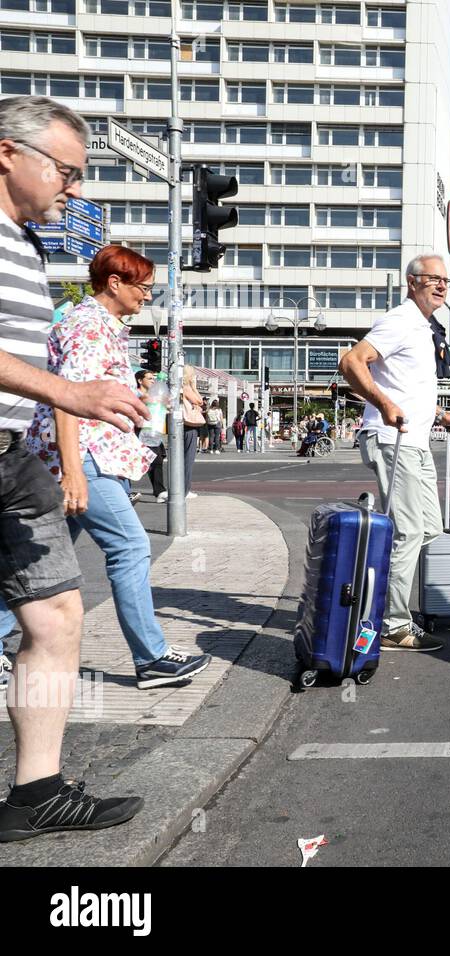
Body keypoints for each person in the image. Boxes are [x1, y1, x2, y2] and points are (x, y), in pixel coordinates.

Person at [0, 95, 150, 841]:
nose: (75, 189)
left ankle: (38, 792)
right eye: (66, 171)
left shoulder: (25, 242)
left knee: (58, 611)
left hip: (10, 457)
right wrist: (70, 398)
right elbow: (57, 374)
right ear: (7, 153)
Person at [26, 245, 212, 689]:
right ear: (115, 283)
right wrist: (72, 471)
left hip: (81, 456)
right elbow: (67, 399)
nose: (148, 296)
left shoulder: (99, 325)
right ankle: (151, 659)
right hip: (83, 458)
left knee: (39, 560)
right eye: (143, 288)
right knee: (130, 547)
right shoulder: (88, 326)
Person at [340, 253, 450, 650]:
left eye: (445, 280)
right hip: (392, 439)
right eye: (433, 278)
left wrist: (441, 414)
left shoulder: (423, 327)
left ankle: (370, 583)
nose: (442, 285)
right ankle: (392, 623)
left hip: (415, 442)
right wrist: (383, 405)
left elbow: (406, 387)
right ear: (413, 282)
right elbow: (352, 362)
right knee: (409, 531)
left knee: (428, 527)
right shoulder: (400, 320)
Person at [134, 369, 167, 500]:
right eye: (150, 378)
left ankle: (159, 491)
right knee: (152, 459)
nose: (153, 381)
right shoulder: (137, 393)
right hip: (140, 430)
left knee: (158, 458)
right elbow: (151, 400)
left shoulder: (152, 393)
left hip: (153, 430)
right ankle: (159, 491)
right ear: (140, 380)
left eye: (154, 379)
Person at [180, 365, 201, 497]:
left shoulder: (177, 387)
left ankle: (181, 489)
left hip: (180, 425)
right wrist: (194, 386)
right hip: (189, 425)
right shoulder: (186, 388)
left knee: (181, 459)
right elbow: (199, 400)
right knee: (188, 459)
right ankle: (184, 490)